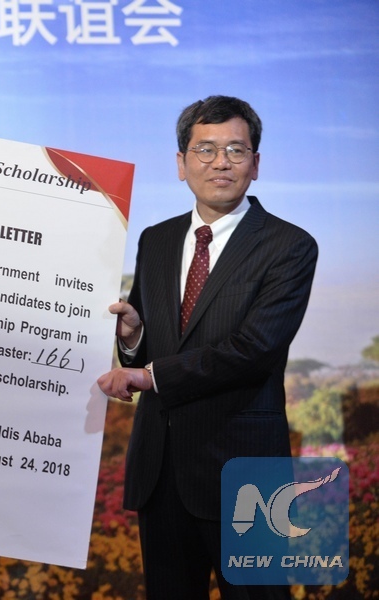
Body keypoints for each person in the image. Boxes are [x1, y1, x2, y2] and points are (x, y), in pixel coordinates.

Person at [97, 96, 317, 599]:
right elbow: (154, 344)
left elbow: (254, 348)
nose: (221, 162)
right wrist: (133, 338)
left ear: (255, 164)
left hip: (246, 475)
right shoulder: (155, 240)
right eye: (206, 150)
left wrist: (148, 375)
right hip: (160, 470)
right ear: (181, 163)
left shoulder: (289, 246)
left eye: (236, 150)